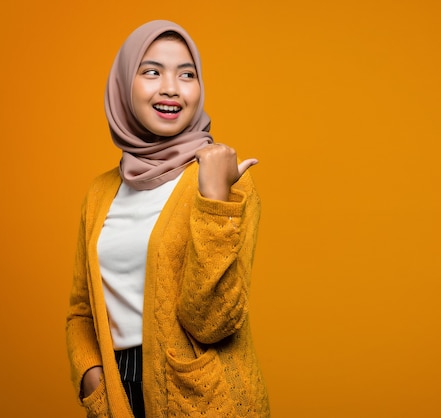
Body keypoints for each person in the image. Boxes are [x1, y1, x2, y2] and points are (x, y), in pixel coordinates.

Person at [65, 20, 270, 417]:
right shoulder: (99, 193)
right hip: (116, 391)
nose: (171, 88)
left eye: (186, 74)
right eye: (152, 71)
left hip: (205, 399)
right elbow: (81, 310)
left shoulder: (229, 181)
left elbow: (211, 323)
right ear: (125, 84)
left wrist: (215, 200)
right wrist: (91, 375)